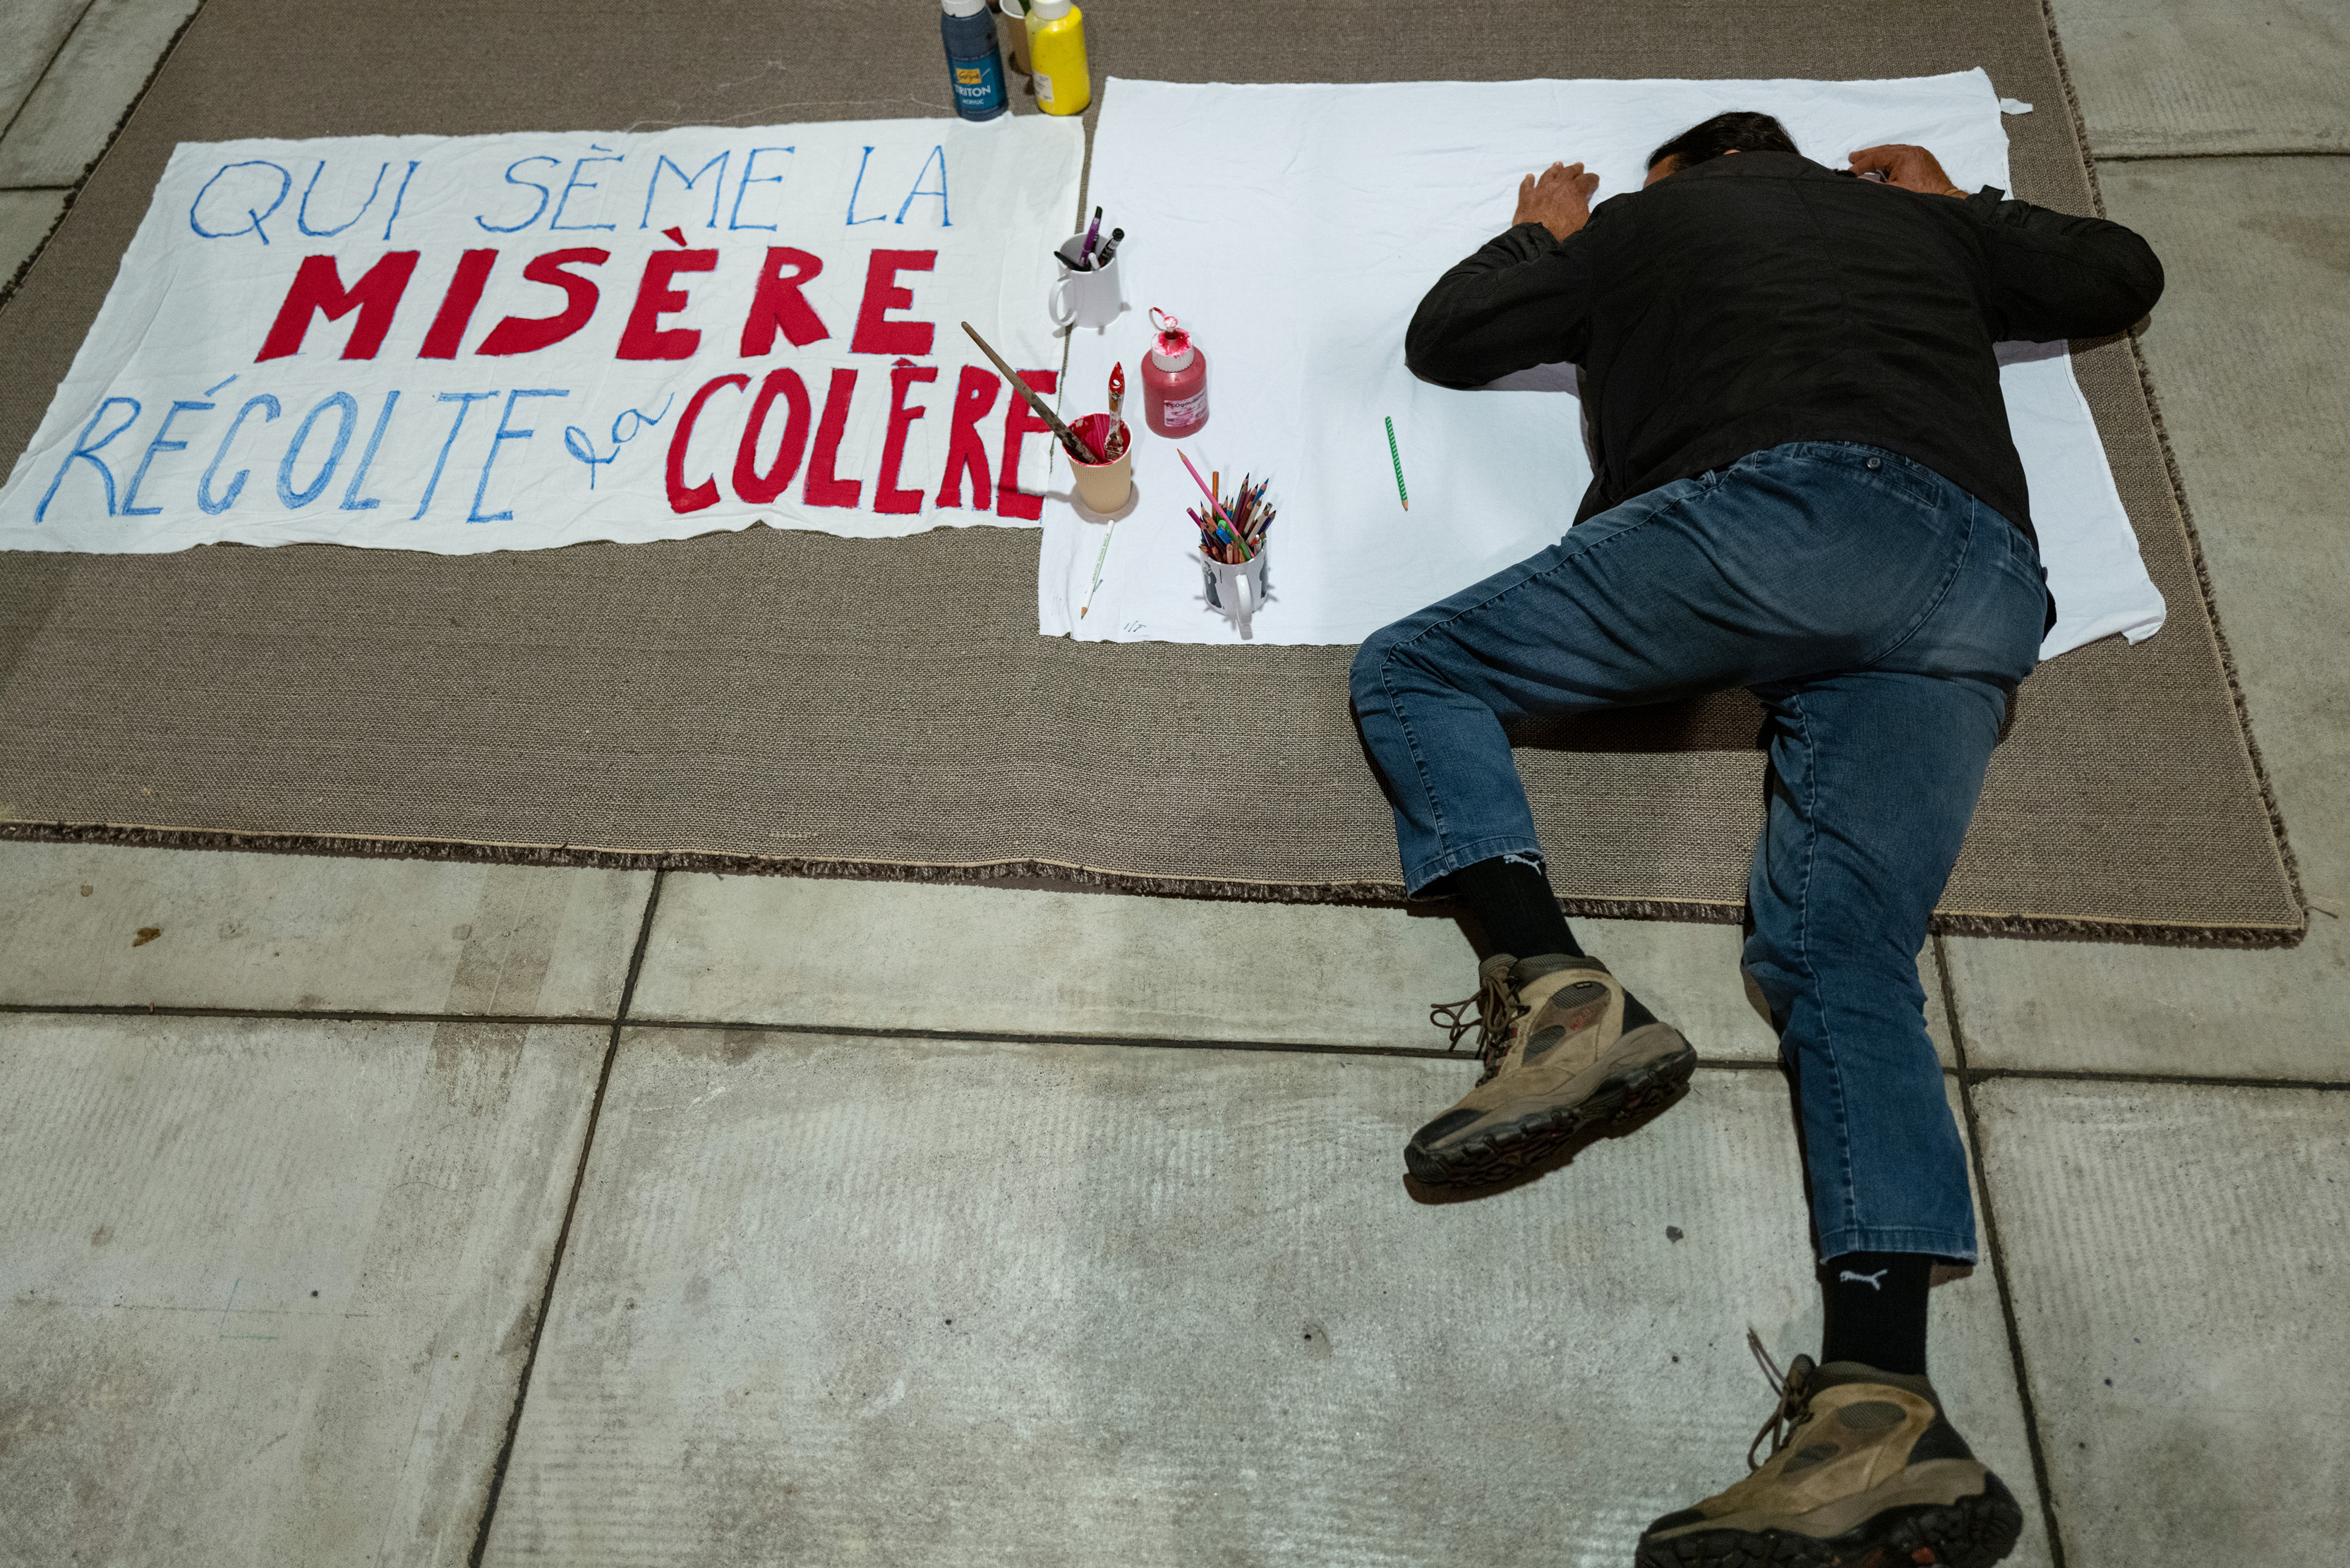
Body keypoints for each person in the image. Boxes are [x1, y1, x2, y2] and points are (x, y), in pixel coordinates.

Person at [1351, 111, 2161, 1567]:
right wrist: (1961, 196)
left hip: (1777, 512)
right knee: (1847, 959)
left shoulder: (1647, 223)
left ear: (1684, 177)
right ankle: (1881, 1402)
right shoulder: (1926, 224)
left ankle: (1557, 988)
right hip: (1979, 584)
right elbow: (2119, 274)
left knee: (1417, 668)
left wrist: (1549, 232)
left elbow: (1452, 337)